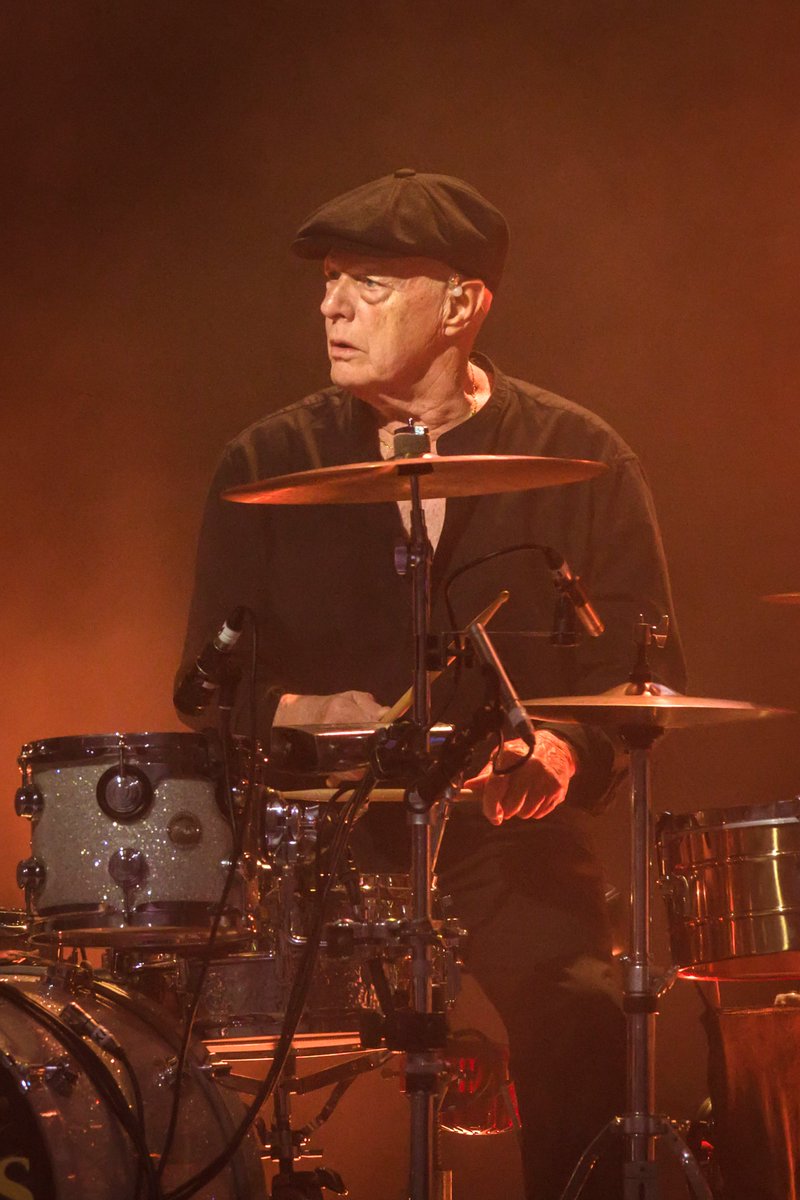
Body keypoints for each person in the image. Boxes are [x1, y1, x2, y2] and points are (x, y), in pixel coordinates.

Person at [177, 168, 686, 1199]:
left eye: (369, 282)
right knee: (179, 1033)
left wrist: (558, 748)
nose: (331, 305)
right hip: (320, 835)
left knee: (582, 1008)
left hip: (504, 835)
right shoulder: (266, 460)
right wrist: (297, 712)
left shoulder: (579, 456)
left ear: (461, 303)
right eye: (328, 281)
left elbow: (642, 669)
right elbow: (206, 688)